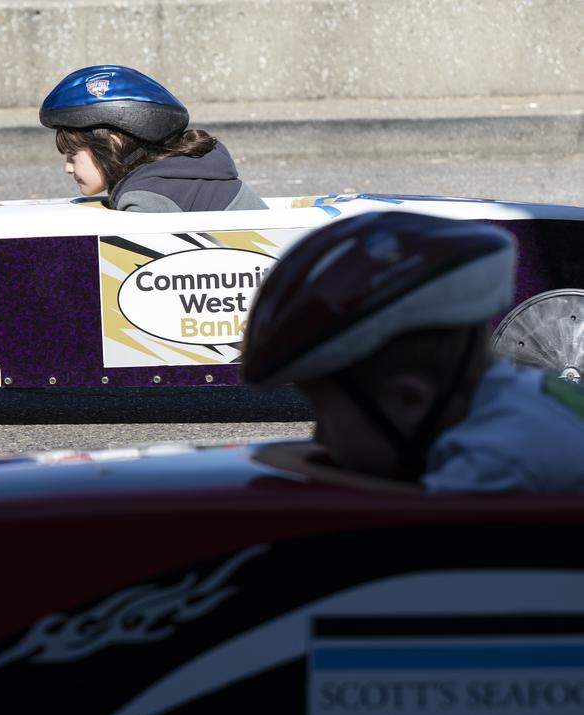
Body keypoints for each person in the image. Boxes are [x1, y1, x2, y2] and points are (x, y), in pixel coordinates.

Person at [240, 210, 584, 493]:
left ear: (409, 401)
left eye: (322, 413)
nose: (319, 438)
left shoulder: (493, 466)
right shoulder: (533, 399)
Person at [39, 65, 266, 213]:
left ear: (113, 143)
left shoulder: (146, 199)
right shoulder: (181, 174)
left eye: (72, 155)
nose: (68, 168)